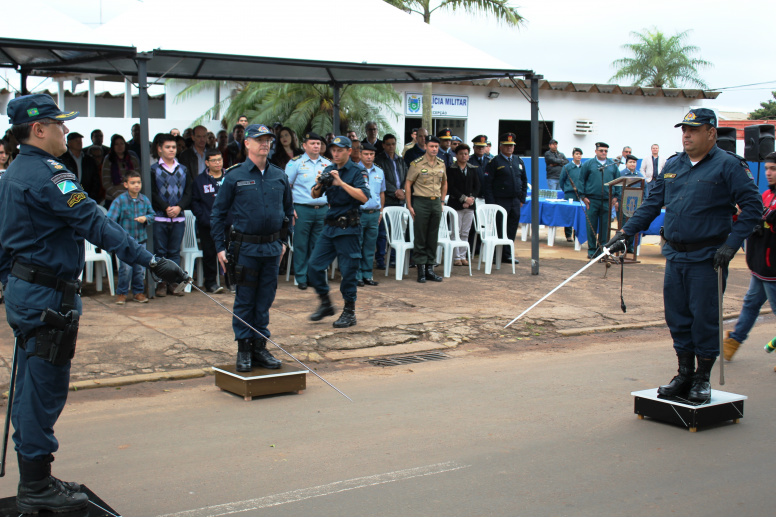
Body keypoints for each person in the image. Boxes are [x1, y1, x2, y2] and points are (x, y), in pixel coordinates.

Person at [0, 94, 186, 513]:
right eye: (59, 124)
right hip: (48, 298)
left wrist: (13, 284)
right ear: (38, 129)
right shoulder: (49, 176)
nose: (66, 131)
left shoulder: (11, 174)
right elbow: (97, 224)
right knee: (43, 393)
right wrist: (152, 260)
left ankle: (38, 477)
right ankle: (35, 487)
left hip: (27, 293)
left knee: (30, 386)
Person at [606, 108, 762, 403]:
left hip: (708, 257)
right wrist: (626, 233)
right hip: (675, 256)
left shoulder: (728, 166)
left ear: (711, 133)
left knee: (704, 318)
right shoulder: (673, 164)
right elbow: (651, 205)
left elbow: (753, 207)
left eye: (693, 129)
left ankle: (702, 378)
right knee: (677, 317)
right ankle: (684, 373)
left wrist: (731, 244)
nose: (686, 135)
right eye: (683, 130)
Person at [210, 124, 293, 371]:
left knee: (265, 300)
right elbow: (218, 214)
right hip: (244, 248)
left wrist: (284, 243)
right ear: (247, 143)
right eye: (259, 140)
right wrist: (219, 247)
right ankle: (244, 349)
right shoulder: (234, 175)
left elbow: (288, 212)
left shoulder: (279, 175)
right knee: (245, 300)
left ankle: (260, 347)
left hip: (271, 248)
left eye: (267, 140)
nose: (264, 144)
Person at [307, 136, 370, 328]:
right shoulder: (328, 169)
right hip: (330, 227)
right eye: (333, 150)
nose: (335, 153)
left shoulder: (358, 171)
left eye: (340, 150)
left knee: (348, 272)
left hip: (349, 228)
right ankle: (325, 303)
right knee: (313, 266)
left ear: (349, 151)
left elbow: (364, 197)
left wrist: (340, 183)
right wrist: (320, 183)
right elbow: (314, 194)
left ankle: (349, 312)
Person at [723, 153, 776, 366]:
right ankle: (734, 341)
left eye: (773, 168)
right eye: (767, 169)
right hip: (759, 266)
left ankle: (735, 340)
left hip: (773, 271)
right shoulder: (764, 195)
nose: (769, 173)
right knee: (751, 304)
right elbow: (748, 217)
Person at [285, 131, 332, 290]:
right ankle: (301, 277)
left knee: (318, 245)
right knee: (301, 245)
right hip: (302, 209)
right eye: (312, 143)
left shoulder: (327, 163)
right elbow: (286, 187)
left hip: (322, 209)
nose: (316, 146)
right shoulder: (295, 163)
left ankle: (314, 276)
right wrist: (290, 208)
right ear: (304, 146)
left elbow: (332, 186)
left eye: (318, 144)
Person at [150, 134, 193, 297]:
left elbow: (189, 192)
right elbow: (153, 193)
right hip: (160, 217)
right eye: (167, 147)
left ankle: (173, 282)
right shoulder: (153, 169)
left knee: (175, 251)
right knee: (160, 252)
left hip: (179, 217)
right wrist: (166, 207)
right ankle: (161, 283)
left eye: (174, 147)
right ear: (159, 149)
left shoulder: (183, 169)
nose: (171, 150)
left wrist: (179, 207)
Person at [107, 170, 155, 304]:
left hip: (141, 239)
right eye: (133, 183)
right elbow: (110, 219)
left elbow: (153, 215)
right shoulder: (120, 201)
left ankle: (138, 292)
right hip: (125, 241)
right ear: (126, 184)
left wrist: (146, 218)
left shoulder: (144, 200)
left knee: (140, 269)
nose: (136, 185)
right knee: (125, 269)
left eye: (138, 182)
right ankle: (122, 293)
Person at [406, 135, 447, 283]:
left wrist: (442, 202)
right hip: (421, 202)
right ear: (426, 147)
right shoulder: (417, 164)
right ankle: (421, 270)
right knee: (421, 236)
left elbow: (444, 183)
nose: (434, 149)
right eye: (431, 146)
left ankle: (430, 268)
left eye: (436, 146)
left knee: (432, 236)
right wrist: (410, 205)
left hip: (435, 202)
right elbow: (408, 184)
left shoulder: (441, 163)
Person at [482, 132, 527, 264]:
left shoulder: (518, 161)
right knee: (499, 228)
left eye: (511, 145)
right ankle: (497, 254)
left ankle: (507, 254)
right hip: (500, 200)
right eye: (506, 145)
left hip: (515, 200)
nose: (509, 148)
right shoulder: (494, 162)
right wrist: (491, 203)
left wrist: (522, 198)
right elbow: (488, 184)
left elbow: (524, 180)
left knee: (512, 228)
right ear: (500, 146)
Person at [191, 149, 230, 293]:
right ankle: (211, 283)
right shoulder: (200, 181)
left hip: (228, 224)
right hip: (208, 224)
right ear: (207, 163)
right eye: (214, 160)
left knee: (231, 253)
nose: (218, 163)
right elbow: (195, 202)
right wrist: (203, 218)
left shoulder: (230, 177)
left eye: (220, 159)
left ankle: (231, 281)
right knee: (209, 254)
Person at [580, 142, 620, 259]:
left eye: (605, 151)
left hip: (607, 200)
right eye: (601, 150)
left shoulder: (612, 165)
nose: (603, 153)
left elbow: (618, 181)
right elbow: (581, 180)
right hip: (592, 200)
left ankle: (603, 249)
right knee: (591, 225)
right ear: (596, 151)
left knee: (605, 226)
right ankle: (592, 250)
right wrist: (583, 196)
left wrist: (616, 196)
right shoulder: (588, 164)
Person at [374, 133, 407, 268]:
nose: (391, 146)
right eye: (388, 144)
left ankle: (393, 259)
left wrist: (403, 191)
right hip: (387, 200)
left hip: (400, 201)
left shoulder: (400, 160)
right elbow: (381, 179)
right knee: (382, 232)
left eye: (393, 144)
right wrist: (395, 191)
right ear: (383, 145)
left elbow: (406, 176)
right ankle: (381, 259)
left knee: (397, 231)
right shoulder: (379, 160)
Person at [356, 142, 385, 286]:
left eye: (371, 154)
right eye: (366, 154)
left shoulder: (379, 171)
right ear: (360, 154)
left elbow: (381, 193)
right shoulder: (354, 170)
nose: (369, 157)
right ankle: (357, 275)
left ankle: (368, 274)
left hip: (374, 213)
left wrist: (381, 211)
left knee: (369, 246)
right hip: (359, 213)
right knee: (357, 244)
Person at [446, 143, 480, 266]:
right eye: (461, 154)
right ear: (456, 155)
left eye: (466, 154)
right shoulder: (451, 169)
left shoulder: (472, 168)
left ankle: (463, 255)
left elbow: (477, 186)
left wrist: (471, 199)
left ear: (468, 155)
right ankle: (456, 257)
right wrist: (464, 199)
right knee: (456, 231)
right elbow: (451, 187)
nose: (463, 156)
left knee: (465, 232)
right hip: (456, 204)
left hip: (470, 205)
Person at [57, 132, 101, 202]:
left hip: (88, 197)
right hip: (68, 198)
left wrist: (92, 197)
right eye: (76, 141)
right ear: (68, 143)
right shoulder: (62, 159)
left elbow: (95, 180)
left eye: (80, 140)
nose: (79, 143)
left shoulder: (89, 160)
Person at [102, 134, 140, 208]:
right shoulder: (108, 159)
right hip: (113, 199)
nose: (119, 146)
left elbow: (138, 180)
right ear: (113, 146)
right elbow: (106, 182)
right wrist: (119, 196)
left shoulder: (133, 159)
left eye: (122, 143)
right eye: (116, 144)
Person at [559, 147, 583, 242]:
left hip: (580, 194)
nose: (578, 156)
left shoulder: (583, 167)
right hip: (570, 194)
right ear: (573, 155)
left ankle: (576, 235)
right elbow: (562, 180)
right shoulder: (567, 167)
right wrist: (567, 190)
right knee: (569, 214)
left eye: (580, 154)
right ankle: (568, 235)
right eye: (577, 154)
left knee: (579, 215)